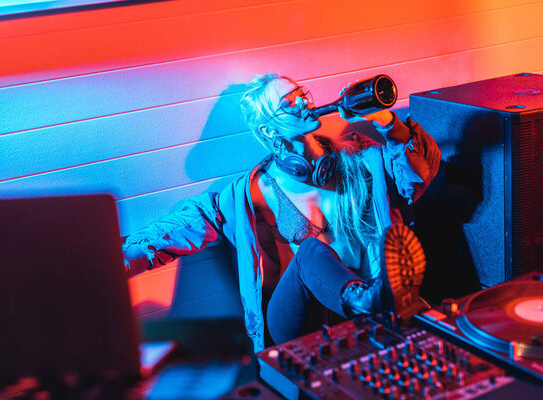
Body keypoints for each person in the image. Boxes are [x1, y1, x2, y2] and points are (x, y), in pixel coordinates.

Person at [123, 74, 441, 353]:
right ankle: (370, 301)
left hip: (367, 309)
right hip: (299, 322)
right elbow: (179, 228)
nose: (303, 103)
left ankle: (378, 303)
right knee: (311, 252)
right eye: (290, 102)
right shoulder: (250, 194)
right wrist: (113, 262)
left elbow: (415, 179)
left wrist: (388, 123)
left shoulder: (359, 155)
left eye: (303, 94)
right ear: (268, 128)